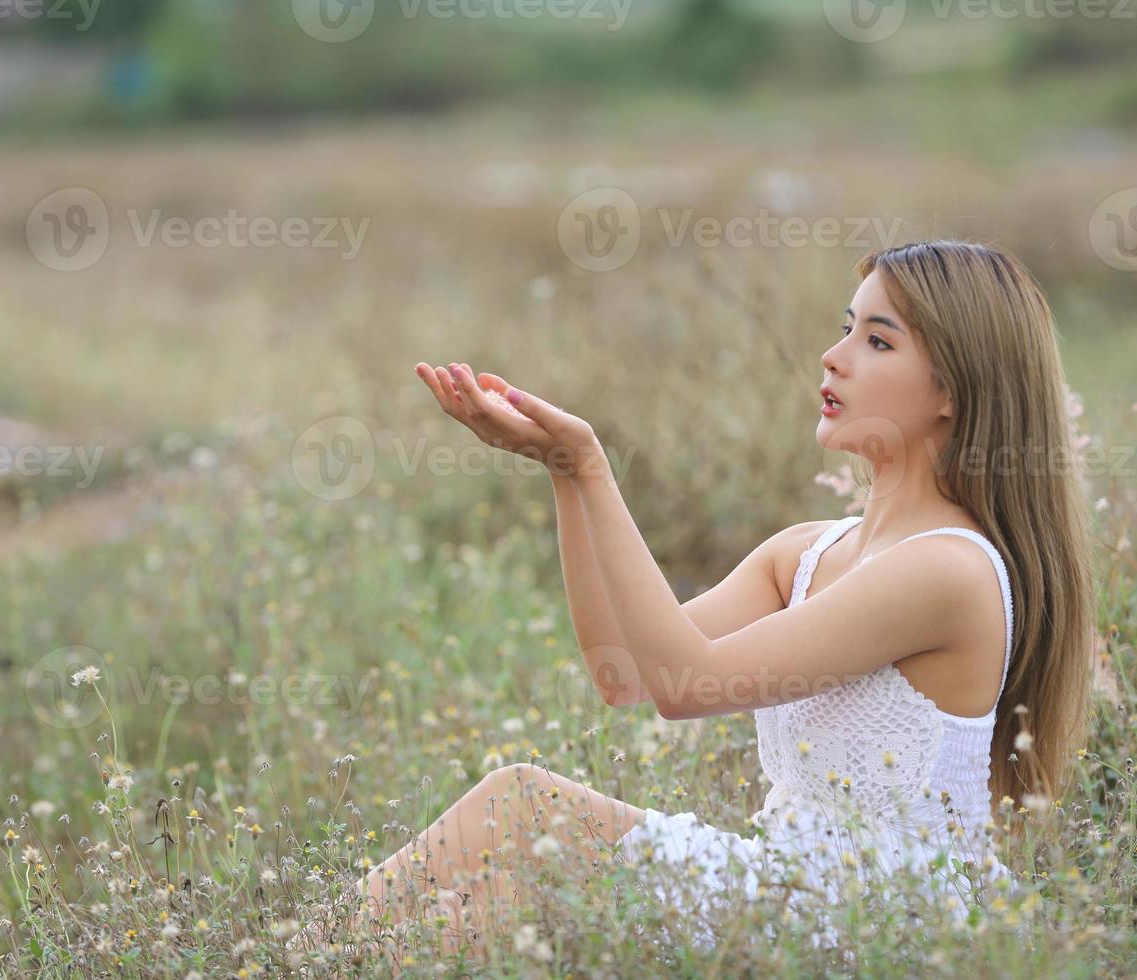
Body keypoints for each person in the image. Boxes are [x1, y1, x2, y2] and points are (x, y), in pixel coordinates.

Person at [296, 239, 1096, 959]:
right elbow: (624, 672)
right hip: (790, 888)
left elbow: (684, 686)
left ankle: (284, 959)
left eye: (876, 341)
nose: (833, 356)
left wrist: (592, 467)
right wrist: (564, 476)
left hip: (881, 922)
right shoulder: (808, 552)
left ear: (953, 392)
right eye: (846, 327)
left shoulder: (948, 570)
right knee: (481, 907)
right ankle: (313, 960)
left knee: (521, 805)